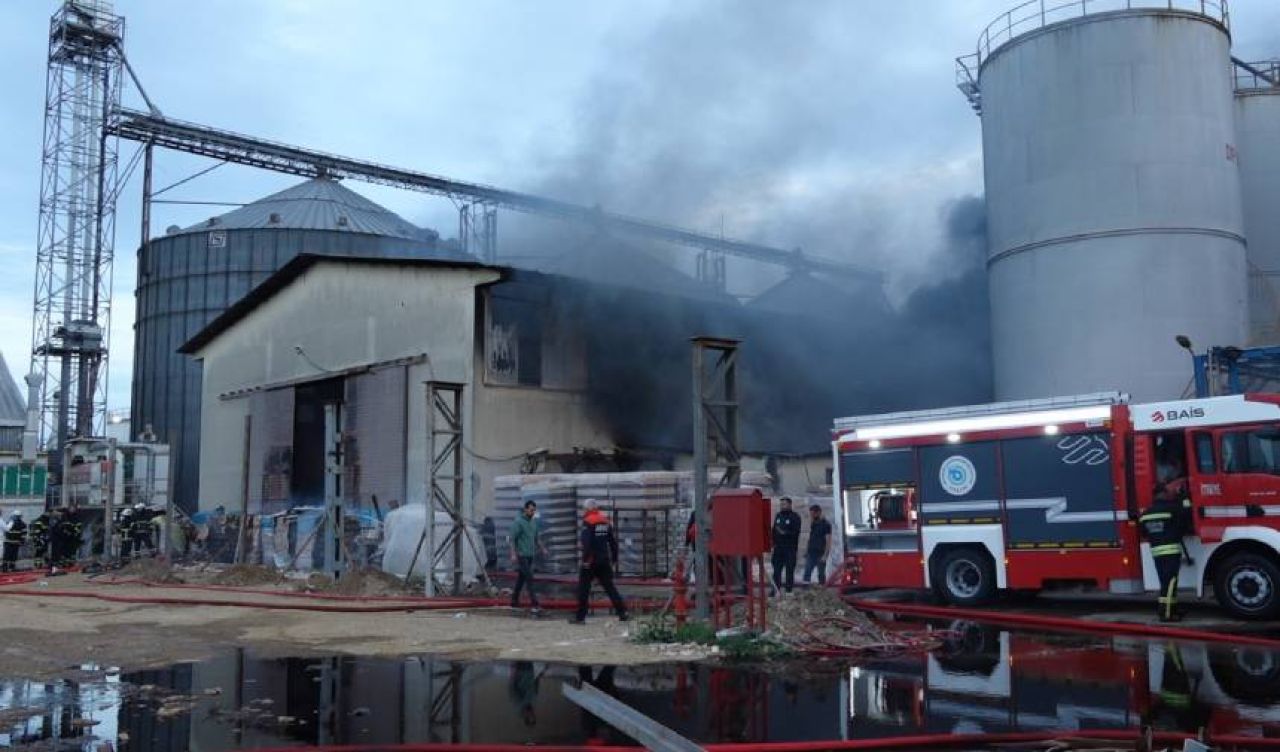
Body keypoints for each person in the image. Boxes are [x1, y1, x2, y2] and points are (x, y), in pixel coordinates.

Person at [1139, 474, 1194, 622]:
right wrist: (1185, 497)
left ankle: (1169, 609)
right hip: (1171, 551)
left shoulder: (1146, 514)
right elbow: (1187, 516)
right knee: (1170, 583)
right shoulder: (1173, 509)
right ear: (1163, 493)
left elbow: (1143, 532)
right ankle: (1167, 614)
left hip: (1156, 552)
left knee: (1165, 582)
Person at [570, 499, 629, 624]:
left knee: (583, 589)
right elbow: (613, 543)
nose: (583, 511)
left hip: (591, 561)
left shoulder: (588, 522)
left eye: (584, 508)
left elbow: (587, 543)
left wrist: (586, 560)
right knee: (610, 587)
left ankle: (580, 617)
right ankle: (622, 612)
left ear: (588, 509)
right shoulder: (605, 521)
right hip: (604, 560)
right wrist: (614, 559)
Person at [510, 500, 548, 613]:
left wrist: (543, 549)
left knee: (521, 579)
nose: (532, 512)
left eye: (534, 510)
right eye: (531, 510)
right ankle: (535, 603)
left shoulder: (533, 523)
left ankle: (514, 601)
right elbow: (512, 539)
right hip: (522, 555)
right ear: (525, 509)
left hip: (530, 554)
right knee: (529, 578)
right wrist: (513, 554)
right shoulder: (518, 522)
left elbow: (537, 538)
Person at [771, 497, 802, 594]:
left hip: (790, 548)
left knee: (789, 570)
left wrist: (784, 533)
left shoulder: (795, 517)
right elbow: (774, 529)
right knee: (776, 570)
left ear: (789, 505)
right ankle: (776, 590)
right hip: (778, 548)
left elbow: (795, 532)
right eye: (781, 504)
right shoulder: (778, 516)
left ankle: (789, 590)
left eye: (784, 504)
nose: (782, 506)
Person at [803, 504, 833, 586]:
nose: (812, 516)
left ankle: (822, 590)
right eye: (811, 514)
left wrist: (825, 555)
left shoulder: (826, 525)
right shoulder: (813, 523)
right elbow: (811, 538)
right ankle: (806, 589)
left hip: (820, 552)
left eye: (813, 514)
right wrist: (807, 550)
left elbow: (828, 541)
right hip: (811, 552)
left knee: (821, 573)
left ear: (819, 512)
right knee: (807, 571)